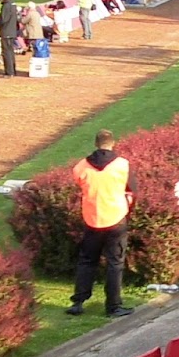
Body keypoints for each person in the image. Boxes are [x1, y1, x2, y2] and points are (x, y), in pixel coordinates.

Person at [65, 130, 136, 318]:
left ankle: (78, 302)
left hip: (92, 218)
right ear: (113, 143)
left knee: (87, 261)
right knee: (115, 263)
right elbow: (132, 191)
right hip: (116, 218)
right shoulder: (122, 165)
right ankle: (113, 306)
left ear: (96, 144)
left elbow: (80, 185)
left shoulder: (81, 167)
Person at [0, 0, 21, 77]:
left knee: (7, 52)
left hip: (6, 31)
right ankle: (12, 71)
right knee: (10, 52)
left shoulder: (6, 5)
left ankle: (9, 72)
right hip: (11, 31)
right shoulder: (12, 4)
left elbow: (3, 19)